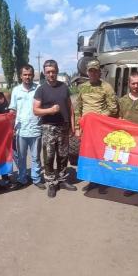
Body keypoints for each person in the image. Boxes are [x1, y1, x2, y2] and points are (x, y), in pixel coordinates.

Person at [33, 59, 76, 198]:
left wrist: (72, 125)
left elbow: (70, 107)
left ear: (57, 71)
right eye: (48, 72)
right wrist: (50, 110)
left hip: (63, 126)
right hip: (49, 128)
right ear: (45, 74)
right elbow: (35, 110)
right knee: (49, 156)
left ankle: (62, 180)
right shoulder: (41, 90)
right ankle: (52, 183)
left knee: (63, 155)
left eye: (53, 71)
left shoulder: (64, 87)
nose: (51, 74)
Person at [75, 59, 119, 191]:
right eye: (90, 71)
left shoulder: (106, 87)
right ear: (87, 72)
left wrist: (97, 118)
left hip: (100, 127)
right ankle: (92, 180)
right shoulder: (82, 87)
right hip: (86, 128)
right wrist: (77, 128)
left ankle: (103, 180)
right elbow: (78, 108)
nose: (93, 73)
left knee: (101, 153)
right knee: (89, 154)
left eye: (95, 71)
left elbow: (113, 108)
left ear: (99, 72)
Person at [9, 64, 45, 190]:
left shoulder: (39, 88)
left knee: (35, 157)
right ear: (21, 76)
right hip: (21, 130)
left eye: (29, 74)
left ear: (33, 75)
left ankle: (36, 178)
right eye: (25, 74)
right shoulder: (16, 90)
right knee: (21, 157)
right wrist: (10, 127)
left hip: (36, 128)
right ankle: (22, 178)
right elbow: (12, 110)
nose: (27, 77)